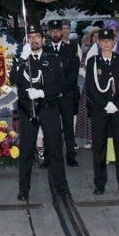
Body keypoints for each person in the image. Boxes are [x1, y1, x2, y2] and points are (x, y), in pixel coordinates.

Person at [11, 23, 69, 201]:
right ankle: (23, 189)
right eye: (30, 37)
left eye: (37, 37)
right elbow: (13, 79)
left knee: (55, 150)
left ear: (44, 40)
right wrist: (22, 59)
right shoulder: (20, 59)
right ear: (26, 41)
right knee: (26, 151)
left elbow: (61, 85)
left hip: (48, 108)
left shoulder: (52, 58)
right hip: (27, 110)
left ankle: (61, 187)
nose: (34, 40)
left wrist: (43, 92)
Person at [84, 28, 119, 194]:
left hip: (118, 110)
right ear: (98, 42)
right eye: (103, 40)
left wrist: (116, 104)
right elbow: (90, 87)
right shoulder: (93, 62)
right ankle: (99, 184)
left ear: (114, 42)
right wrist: (105, 104)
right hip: (100, 110)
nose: (106, 43)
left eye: (109, 40)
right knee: (99, 149)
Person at [44, 20, 80, 167]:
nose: (55, 33)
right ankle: (48, 157)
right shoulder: (45, 50)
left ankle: (71, 155)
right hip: (50, 96)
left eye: (57, 31)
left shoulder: (71, 48)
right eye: (52, 31)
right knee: (49, 127)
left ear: (62, 32)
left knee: (68, 127)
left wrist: (61, 88)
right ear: (49, 33)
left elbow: (73, 72)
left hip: (67, 94)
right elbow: (43, 73)